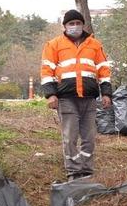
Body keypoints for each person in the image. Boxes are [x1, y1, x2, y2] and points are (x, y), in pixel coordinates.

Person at [40, 9, 112, 180]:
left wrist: (107, 93)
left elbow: (104, 71)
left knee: (89, 138)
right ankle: (73, 171)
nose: (75, 26)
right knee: (70, 137)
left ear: (83, 25)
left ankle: (86, 172)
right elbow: (46, 71)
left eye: (78, 23)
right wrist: (51, 94)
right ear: (64, 26)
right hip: (66, 98)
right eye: (71, 23)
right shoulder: (54, 45)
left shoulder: (94, 44)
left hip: (89, 98)